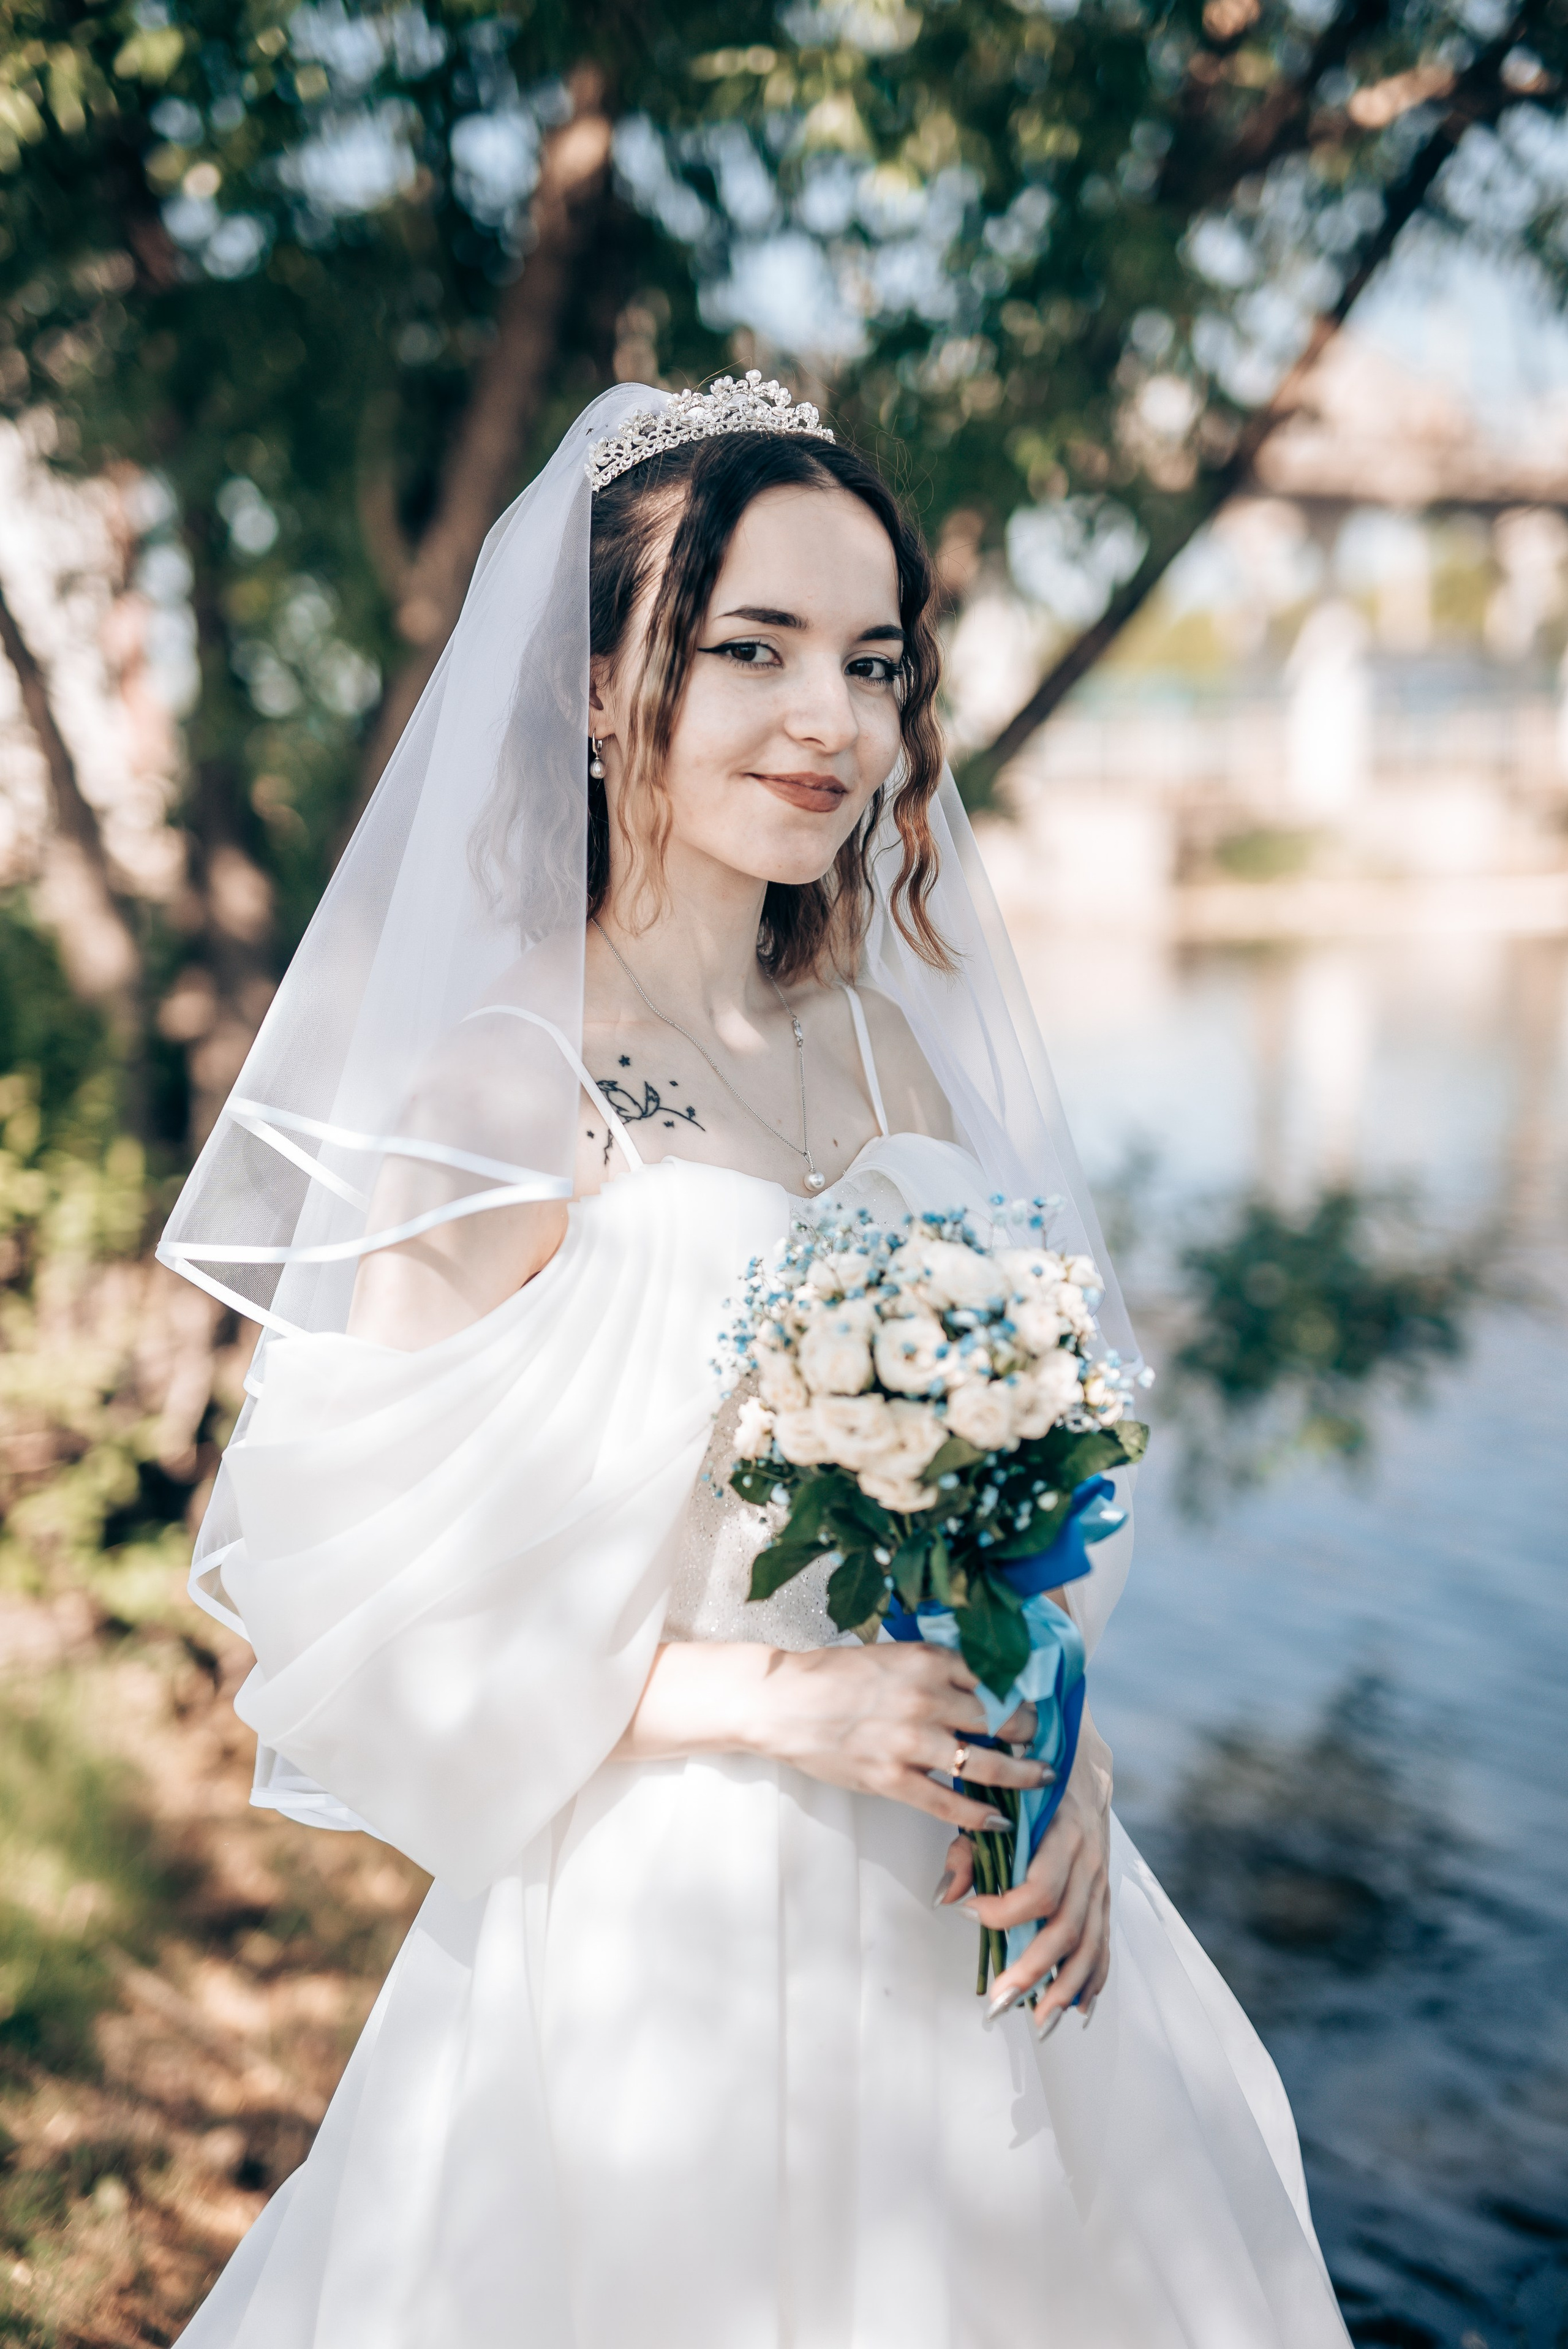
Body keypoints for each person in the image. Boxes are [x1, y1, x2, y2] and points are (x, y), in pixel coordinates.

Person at [160, 376, 1351, 2347]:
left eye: (874, 663)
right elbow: (349, 1605)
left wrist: (1063, 1740)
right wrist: (774, 1698)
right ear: (597, 681)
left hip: (983, 1888)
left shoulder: (895, 1044)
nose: (836, 722)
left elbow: (1018, 1503)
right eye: (756, 650)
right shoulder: (501, 1082)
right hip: (675, 1926)